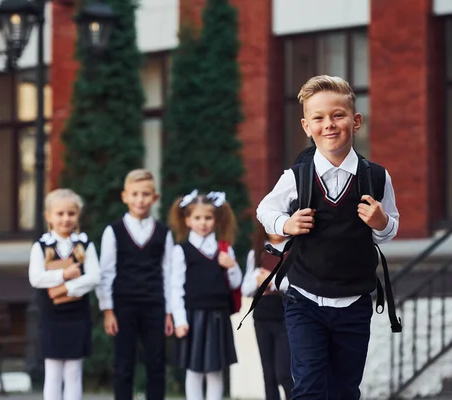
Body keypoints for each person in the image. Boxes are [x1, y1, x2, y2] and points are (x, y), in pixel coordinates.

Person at [256, 75, 400, 399]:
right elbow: (264, 209)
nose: (329, 125)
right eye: (318, 118)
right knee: (307, 387)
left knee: (345, 390)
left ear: (356, 120)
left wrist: (381, 222)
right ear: (307, 126)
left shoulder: (377, 177)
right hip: (304, 300)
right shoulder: (296, 177)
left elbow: (389, 231)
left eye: (338, 115)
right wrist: (286, 223)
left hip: (354, 303)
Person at [96, 169, 174, 400]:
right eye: (135, 194)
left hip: (154, 305)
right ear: (125, 196)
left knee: (156, 364)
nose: (140, 199)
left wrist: (169, 312)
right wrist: (108, 311)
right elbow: (106, 272)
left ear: (155, 198)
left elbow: (168, 273)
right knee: (123, 365)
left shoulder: (163, 232)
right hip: (123, 305)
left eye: (146, 194)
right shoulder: (114, 231)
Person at [169, 190, 242, 400]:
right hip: (193, 317)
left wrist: (232, 266)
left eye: (208, 218)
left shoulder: (224, 250)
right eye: (197, 218)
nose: (203, 223)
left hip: (218, 315)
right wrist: (180, 320)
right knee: (194, 370)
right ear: (188, 220)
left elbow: (235, 283)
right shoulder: (181, 250)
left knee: (216, 370)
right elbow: (176, 288)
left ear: (216, 220)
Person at [28, 188, 100, 400]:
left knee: (74, 372)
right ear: (48, 216)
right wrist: (64, 274)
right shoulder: (40, 247)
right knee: (53, 372)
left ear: (78, 215)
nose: (66, 219)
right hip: (51, 316)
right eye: (60, 214)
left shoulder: (85, 245)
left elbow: (95, 277)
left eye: (71, 213)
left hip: (77, 316)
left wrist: (68, 288)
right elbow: (36, 278)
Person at [241, 221, 293, 400]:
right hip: (262, 316)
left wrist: (272, 281)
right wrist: (257, 278)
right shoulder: (256, 253)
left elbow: (298, 284)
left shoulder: (294, 250)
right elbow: (246, 288)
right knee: (268, 373)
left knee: (284, 373)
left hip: (286, 315)